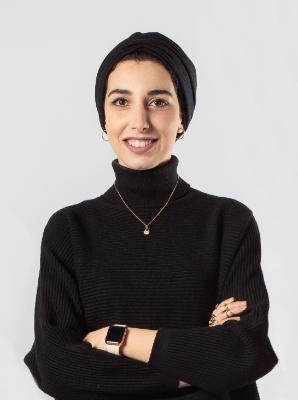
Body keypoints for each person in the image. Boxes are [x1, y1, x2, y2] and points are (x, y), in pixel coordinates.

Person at [23, 31, 278, 400]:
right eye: (121, 102)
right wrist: (194, 366)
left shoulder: (228, 222)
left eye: (158, 101)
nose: (139, 121)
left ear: (182, 119)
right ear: (104, 120)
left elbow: (243, 353)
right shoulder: (69, 230)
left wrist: (118, 338)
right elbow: (56, 365)